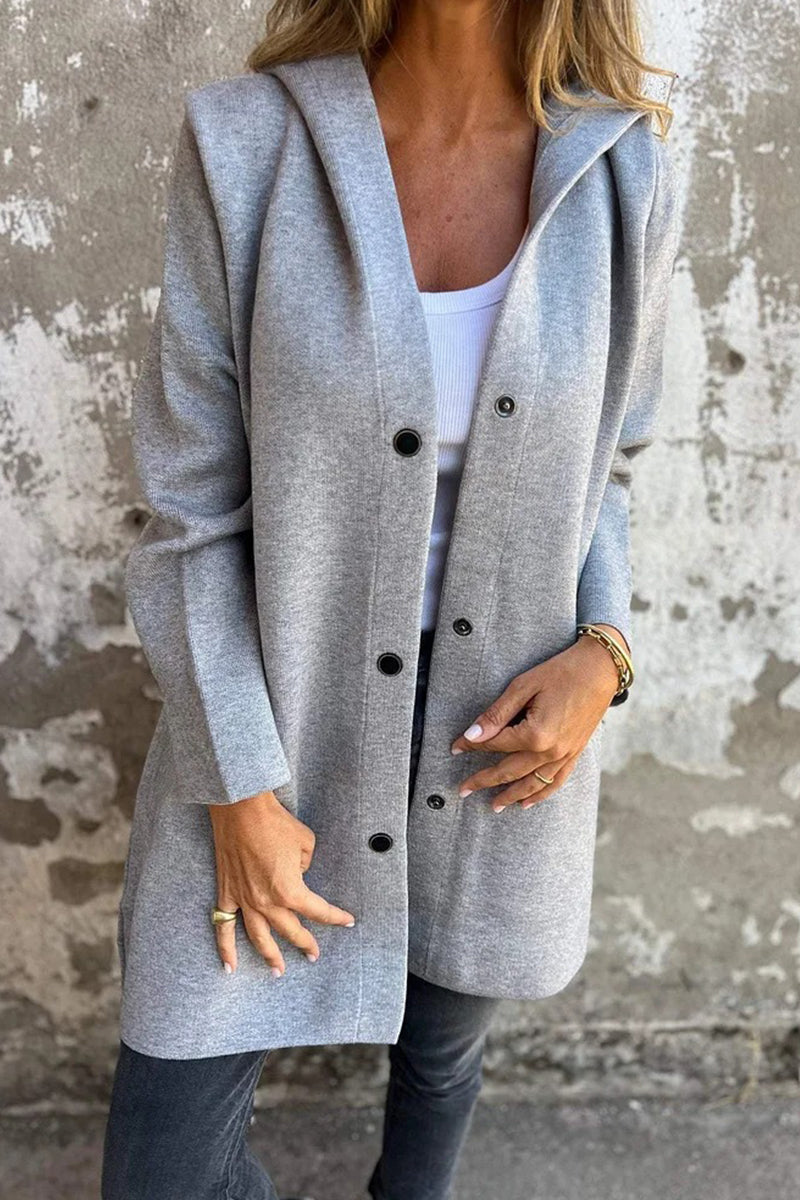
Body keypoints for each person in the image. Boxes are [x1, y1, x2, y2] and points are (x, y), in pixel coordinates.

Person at [102, 1, 682, 1197]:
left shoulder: (623, 173)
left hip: (495, 737)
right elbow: (188, 513)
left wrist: (603, 653)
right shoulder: (247, 145)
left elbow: (609, 471)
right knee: (164, 1169)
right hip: (274, 720)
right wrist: (238, 787)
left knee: (441, 1059)